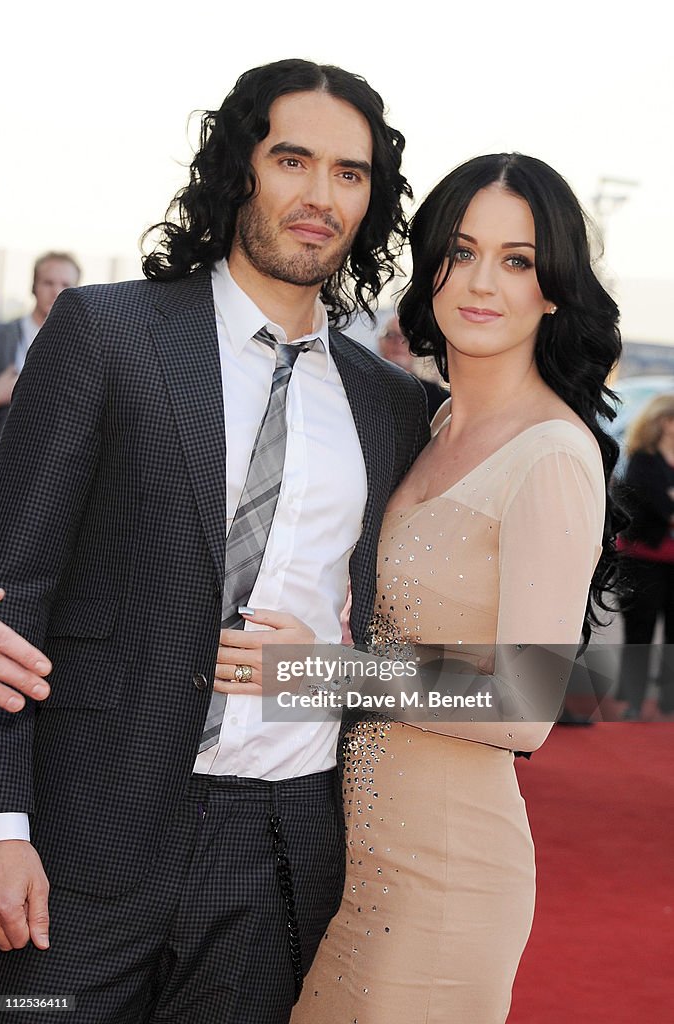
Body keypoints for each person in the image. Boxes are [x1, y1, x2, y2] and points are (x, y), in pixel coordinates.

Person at [0, 59, 428, 1023]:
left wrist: (319, 673)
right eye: (292, 160)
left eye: (349, 174)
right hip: (82, 825)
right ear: (240, 170)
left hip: (279, 849)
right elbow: (7, 592)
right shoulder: (107, 333)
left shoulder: (392, 405)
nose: (319, 197)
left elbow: (503, 680)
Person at [216, 152, 623, 1023]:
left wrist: (318, 670)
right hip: (351, 864)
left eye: (517, 261)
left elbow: (528, 698)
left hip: (448, 882)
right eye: (462, 251)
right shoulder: (426, 424)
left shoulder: (554, 453)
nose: (482, 283)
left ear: (553, 288)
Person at [0, 252, 81, 471]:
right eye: (48, 282)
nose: (56, 291)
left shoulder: (82, 345)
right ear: (34, 286)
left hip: (53, 468)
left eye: (65, 284)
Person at [615, 393, 674, 720]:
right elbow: (660, 509)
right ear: (665, 422)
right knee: (640, 631)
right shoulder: (642, 460)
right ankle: (634, 701)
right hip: (643, 560)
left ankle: (669, 699)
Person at [377, 312, 447, 418]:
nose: (399, 343)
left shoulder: (438, 398)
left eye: (407, 337)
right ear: (380, 343)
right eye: (392, 335)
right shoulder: (361, 388)